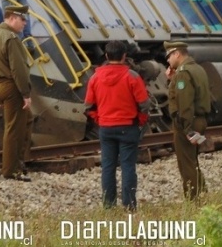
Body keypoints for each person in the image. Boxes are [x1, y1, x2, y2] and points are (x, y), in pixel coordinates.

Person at [84, 41, 151, 211]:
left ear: (106, 56)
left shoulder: (95, 77)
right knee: (128, 166)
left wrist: (100, 120)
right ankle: (129, 205)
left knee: (108, 167)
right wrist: (140, 121)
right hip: (128, 127)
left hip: (106, 128)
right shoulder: (133, 77)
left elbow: (88, 106)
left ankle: (108, 205)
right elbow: (144, 104)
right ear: (124, 56)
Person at [0, 4, 34, 180]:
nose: (24, 23)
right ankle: (10, 170)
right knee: (14, 128)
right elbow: (18, 69)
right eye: (22, 19)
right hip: (12, 86)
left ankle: (19, 161)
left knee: (27, 120)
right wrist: (26, 94)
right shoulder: (11, 38)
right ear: (12, 17)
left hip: (0, 85)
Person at [164, 41, 211, 200]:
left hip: (188, 122)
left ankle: (193, 200)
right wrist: (172, 80)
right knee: (192, 159)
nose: (168, 60)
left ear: (177, 54)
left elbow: (185, 103)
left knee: (186, 163)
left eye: (169, 56)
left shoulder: (183, 73)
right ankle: (202, 192)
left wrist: (186, 128)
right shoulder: (197, 68)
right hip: (199, 119)